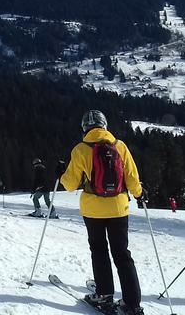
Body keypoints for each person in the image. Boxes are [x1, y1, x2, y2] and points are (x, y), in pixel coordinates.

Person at [60, 110, 145, 315]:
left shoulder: (80, 149)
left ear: (85, 128)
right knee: (122, 254)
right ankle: (132, 304)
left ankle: (104, 295)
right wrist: (140, 194)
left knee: (99, 250)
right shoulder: (120, 146)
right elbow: (132, 179)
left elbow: (70, 185)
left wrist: (61, 175)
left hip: (93, 210)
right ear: (104, 125)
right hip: (118, 208)